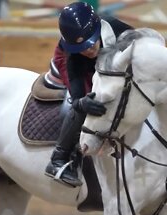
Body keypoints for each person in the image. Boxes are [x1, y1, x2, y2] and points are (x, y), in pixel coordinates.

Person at [44, 1, 132, 186]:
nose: (88, 49)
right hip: (72, 62)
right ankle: (58, 159)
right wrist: (80, 103)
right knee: (77, 104)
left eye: (91, 42)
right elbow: (77, 96)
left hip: (105, 61)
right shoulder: (75, 55)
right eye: (81, 47)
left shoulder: (118, 29)